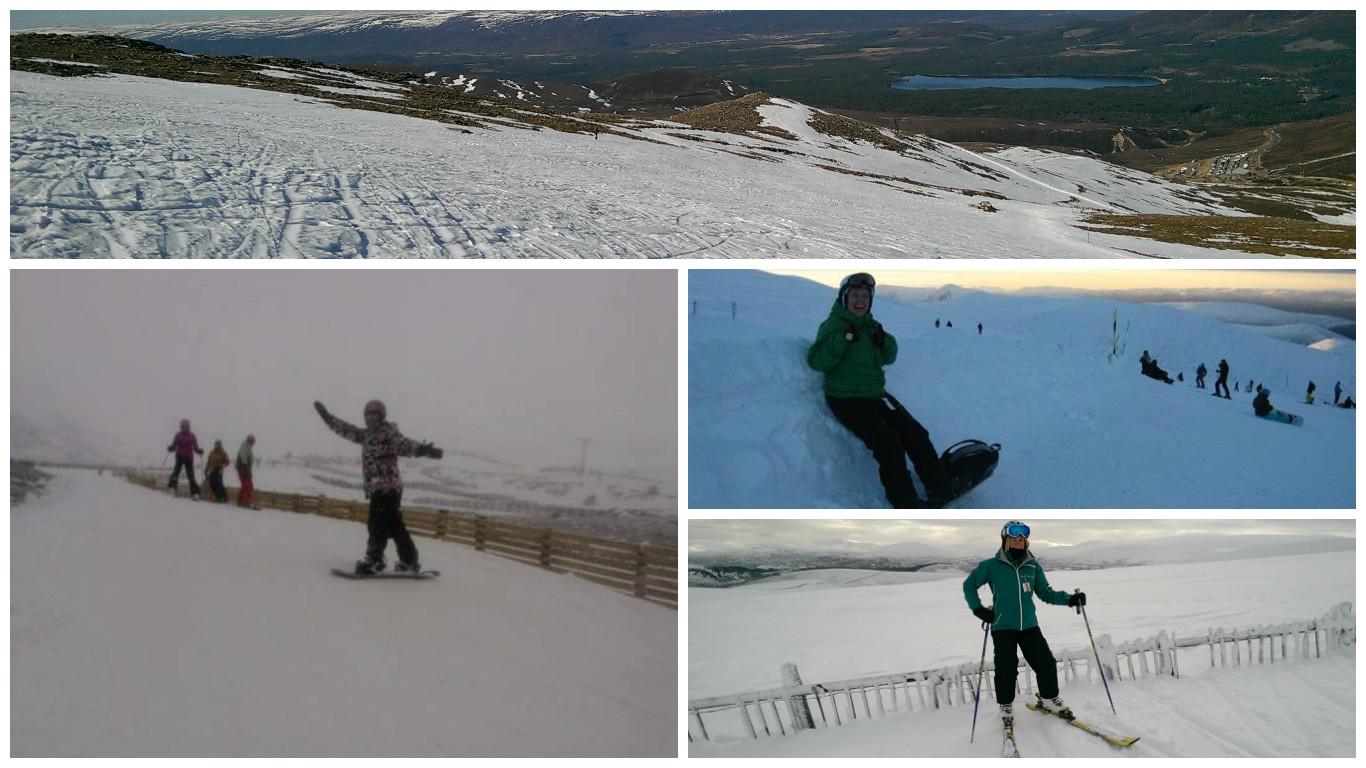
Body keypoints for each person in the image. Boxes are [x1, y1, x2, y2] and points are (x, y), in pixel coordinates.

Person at [807, 273, 950, 509]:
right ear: (844, 297)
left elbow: (889, 357)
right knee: (889, 445)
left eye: (865, 296)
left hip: (874, 394)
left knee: (916, 434)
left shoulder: (871, 325)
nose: (860, 300)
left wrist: (884, 341)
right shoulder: (833, 325)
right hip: (846, 399)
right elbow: (817, 362)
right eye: (855, 295)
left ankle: (940, 486)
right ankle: (905, 501)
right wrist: (842, 340)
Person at [963, 521, 1086, 727]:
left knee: (1046, 663)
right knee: (1006, 669)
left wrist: (1069, 599)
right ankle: (1005, 705)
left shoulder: (1033, 565)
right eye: (1014, 539)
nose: (1019, 542)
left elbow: (1045, 593)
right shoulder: (991, 566)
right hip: (1003, 627)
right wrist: (978, 609)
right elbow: (969, 585)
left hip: (1029, 626)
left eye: (1022, 539)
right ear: (1005, 540)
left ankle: (1048, 699)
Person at [314, 399, 444, 574]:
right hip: (380, 488)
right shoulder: (366, 435)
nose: (371, 420)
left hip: (387, 487)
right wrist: (327, 418)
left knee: (377, 524)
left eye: (375, 416)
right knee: (394, 526)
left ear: (382, 417)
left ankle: (374, 559)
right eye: (368, 416)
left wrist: (424, 450)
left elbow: (404, 444)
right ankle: (409, 560)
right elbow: (346, 430)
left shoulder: (388, 433)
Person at [166, 419, 203, 498]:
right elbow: (174, 445)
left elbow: (195, 447)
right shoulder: (178, 435)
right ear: (181, 427)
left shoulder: (192, 436)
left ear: (189, 427)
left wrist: (199, 451)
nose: (185, 428)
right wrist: (171, 448)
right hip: (179, 456)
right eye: (183, 426)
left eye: (186, 426)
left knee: (191, 475)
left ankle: (195, 492)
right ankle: (172, 488)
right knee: (176, 472)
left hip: (189, 458)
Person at [235, 435, 257, 508]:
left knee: (246, 485)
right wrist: (245, 468)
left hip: (246, 469)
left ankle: (240, 501)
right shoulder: (245, 446)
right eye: (253, 441)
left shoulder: (248, 448)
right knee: (248, 486)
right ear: (249, 440)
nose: (253, 443)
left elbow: (249, 459)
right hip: (243, 469)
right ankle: (246, 501)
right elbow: (243, 457)